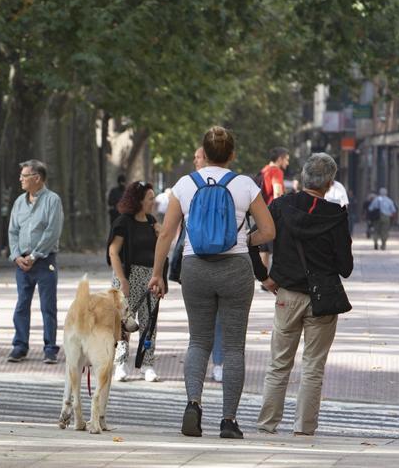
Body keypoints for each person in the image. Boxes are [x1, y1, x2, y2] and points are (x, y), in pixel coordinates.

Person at [148, 126, 275, 439]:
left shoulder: (185, 185)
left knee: (198, 341)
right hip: (236, 269)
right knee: (233, 347)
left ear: (202, 152)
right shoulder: (245, 184)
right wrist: (245, 238)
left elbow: (166, 233)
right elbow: (270, 230)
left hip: (196, 268)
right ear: (232, 154)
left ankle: (193, 404)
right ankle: (229, 420)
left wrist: (156, 273)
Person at [256, 153, 353, 436]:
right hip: (323, 298)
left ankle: (267, 423)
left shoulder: (281, 206)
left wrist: (264, 276)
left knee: (278, 363)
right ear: (329, 182)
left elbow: (253, 238)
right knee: (313, 365)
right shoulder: (336, 215)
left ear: (303, 176)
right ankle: (304, 427)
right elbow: (345, 268)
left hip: (286, 294)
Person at [7, 159, 64, 364]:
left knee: (48, 305)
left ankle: (50, 348)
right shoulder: (19, 202)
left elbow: (52, 232)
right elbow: (13, 231)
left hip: (44, 260)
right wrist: (16, 256)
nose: (20, 179)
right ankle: (20, 346)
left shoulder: (52, 200)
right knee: (22, 304)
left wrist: (34, 255)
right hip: (22, 262)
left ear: (37, 178)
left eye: (24, 176)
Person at [107, 181, 161, 382]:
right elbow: (113, 252)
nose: (153, 202)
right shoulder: (123, 222)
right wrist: (122, 279)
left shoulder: (152, 221)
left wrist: (160, 232)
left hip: (150, 278)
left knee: (149, 322)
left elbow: (161, 249)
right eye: (150, 198)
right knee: (124, 322)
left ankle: (147, 364)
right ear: (138, 200)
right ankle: (120, 363)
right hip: (127, 276)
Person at [258, 147, 289, 268]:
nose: (287, 163)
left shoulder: (264, 170)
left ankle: (263, 278)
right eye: (286, 159)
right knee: (279, 247)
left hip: (262, 213)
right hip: (273, 214)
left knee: (264, 248)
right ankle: (278, 279)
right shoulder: (276, 171)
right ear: (280, 159)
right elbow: (277, 192)